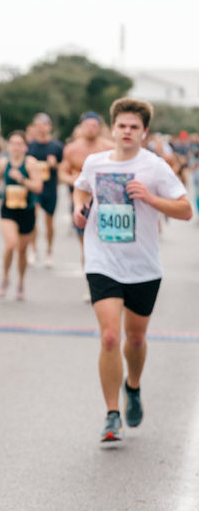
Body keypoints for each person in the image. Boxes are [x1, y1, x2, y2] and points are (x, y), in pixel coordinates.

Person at [71, 98, 192, 443]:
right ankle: (112, 415)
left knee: (136, 338)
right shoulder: (95, 163)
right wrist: (79, 210)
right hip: (102, 261)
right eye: (122, 126)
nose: (127, 132)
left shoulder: (154, 167)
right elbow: (81, 187)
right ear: (113, 128)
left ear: (144, 132)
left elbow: (185, 210)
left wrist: (152, 199)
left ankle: (133, 386)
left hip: (143, 266)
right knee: (110, 336)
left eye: (134, 127)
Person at [0, 132, 44, 300]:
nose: (15, 147)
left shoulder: (30, 164)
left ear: (25, 147)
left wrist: (21, 179)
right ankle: (5, 277)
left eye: (19, 143)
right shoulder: (3, 162)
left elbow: (38, 187)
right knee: (11, 245)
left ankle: (20, 281)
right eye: (13, 143)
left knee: (22, 250)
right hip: (8, 209)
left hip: (26, 209)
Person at [60, 112, 116, 264]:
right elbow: (62, 172)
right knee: (85, 243)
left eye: (94, 126)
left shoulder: (109, 147)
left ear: (99, 128)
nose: (91, 129)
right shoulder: (72, 149)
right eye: (87, 125)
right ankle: (89, 272)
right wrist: (74, 180)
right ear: (81, 127)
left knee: (106, 243)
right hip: (81, 199)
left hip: (105, 200)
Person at [27, 113, 64, 267]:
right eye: (37, 125)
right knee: (33, 218)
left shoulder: (57, 146)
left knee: (49, 222)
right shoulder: (30, 146)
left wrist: (55, 164)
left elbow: (64, 167)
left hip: (50, 187)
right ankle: (34, 250)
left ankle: (49, 251)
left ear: (49, 126)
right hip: (35, 188)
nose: (40, 128)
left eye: (43, 124)